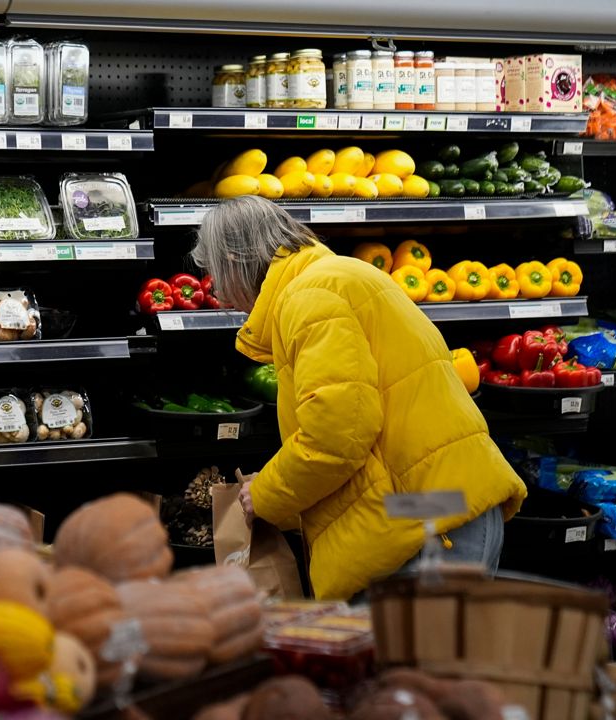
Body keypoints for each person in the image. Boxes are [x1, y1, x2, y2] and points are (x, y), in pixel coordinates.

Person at [191, 196, 526, 600]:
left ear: (233, 259)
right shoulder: (332, 278)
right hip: (438, 500)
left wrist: (265, 495)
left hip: (433, 520)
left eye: (215, 274)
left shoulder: (311, 297)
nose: (221, 294)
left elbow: (336, 435)